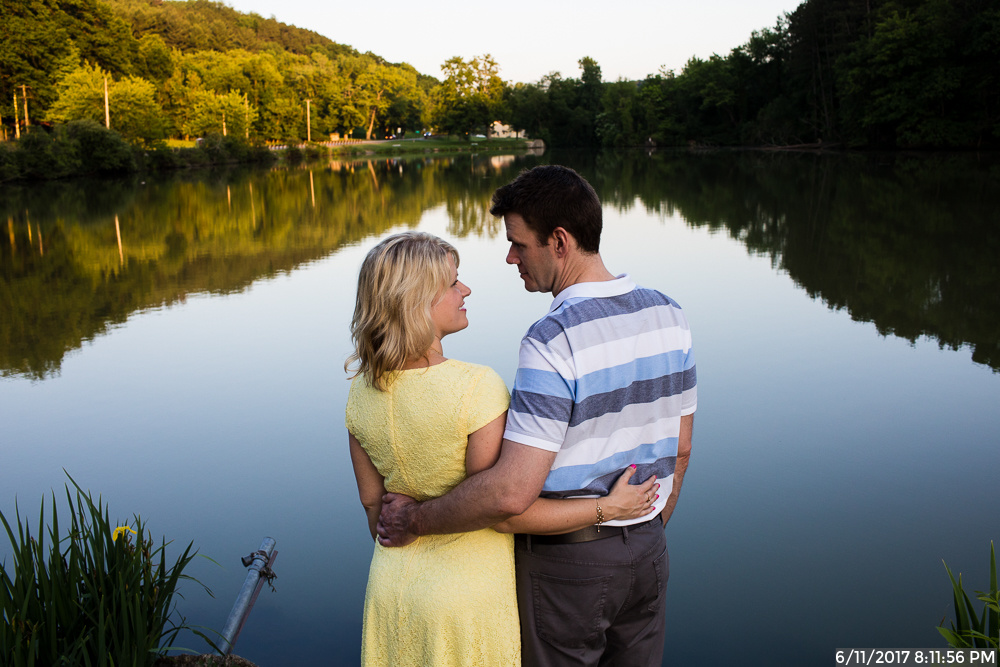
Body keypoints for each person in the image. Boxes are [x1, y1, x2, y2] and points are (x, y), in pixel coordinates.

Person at [376, 166, 697, 667]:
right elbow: (681, 449)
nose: (510, 257)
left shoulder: (553, 338)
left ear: (560, 241)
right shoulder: (669, 313)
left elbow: (509, 494)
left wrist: (415, 518)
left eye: (519, 244)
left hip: (570, 567)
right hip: (649, 549)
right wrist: (646, 530)